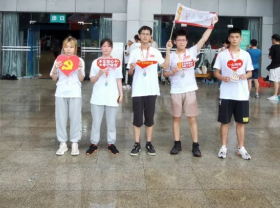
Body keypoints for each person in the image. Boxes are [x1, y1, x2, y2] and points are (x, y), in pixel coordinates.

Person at [164, 15, 218, 157]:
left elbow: (203, 39)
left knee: (192, 118)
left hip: (190, 90)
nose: (181, 42)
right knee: (176, 118)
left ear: (187, 41)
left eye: (184, 40)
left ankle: (195, 145)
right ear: (174, 42)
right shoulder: (171, 56)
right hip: (176, 90)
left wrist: (211, 25)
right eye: (179, 40)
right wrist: (172, 70)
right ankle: (177, 143)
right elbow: (164, 73)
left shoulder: (192, 51)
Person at [128, 26, 172, 156]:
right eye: (143, 34)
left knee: (149, 118)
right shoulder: (134, 52)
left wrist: (168, 50)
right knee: (137, 119)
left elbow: (165, 65)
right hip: (138, 90)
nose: (145, 36)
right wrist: (132, 68)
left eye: (147, 34)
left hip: (151, 90)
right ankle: (136, 144)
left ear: (150, 37)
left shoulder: (155, 52)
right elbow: (130, 73)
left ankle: (148, 143)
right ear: (139, 36)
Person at [213, 28, 253, 160]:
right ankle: (223, 147)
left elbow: (250, 72)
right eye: (232, 37)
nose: (234, 39)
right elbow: (216, 72)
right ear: (229, 38)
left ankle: (241, 148)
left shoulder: (246, 55)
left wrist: (245, 76)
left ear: (241, 39)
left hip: (241, 94)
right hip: (226, 94)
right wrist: (222, 77)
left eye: (237, 37)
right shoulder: (222, 55)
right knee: (225, 122)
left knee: (241, 122)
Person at [86, 38, 123, 156]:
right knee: (96, 122)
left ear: (112, 48)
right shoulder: (96, 62)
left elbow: (118, 80)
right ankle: (94, 143)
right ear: (101, 48)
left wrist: (121, 94)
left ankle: (111, 143)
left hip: (112, 95)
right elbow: (92, 80)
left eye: (108, 46)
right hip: (98, 96)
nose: (106, 48)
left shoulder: (116, 62)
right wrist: (99, 73)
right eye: (104, 46)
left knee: (111, 122)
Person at [50, 36, 85, 156]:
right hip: (61, 92)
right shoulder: (58, 60)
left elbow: (81, 78)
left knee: (75, 118)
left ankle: (75, 142)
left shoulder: (80, 61)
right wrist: (56, 68)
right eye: (66, 47)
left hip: (75, 92)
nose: (68, 49)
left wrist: (79, 70)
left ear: (75, 48)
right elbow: (54, 78)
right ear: (63, 48)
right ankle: (62, 143)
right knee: (60, 118)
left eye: (71, 47)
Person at [267, 34, 280, 101]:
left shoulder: (273, 47)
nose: (271, 41)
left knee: (275, 81)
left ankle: (275, 95)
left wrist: (270, 51)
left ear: (274, 39)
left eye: (271, 39)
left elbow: (270, 56)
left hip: (274, 66)